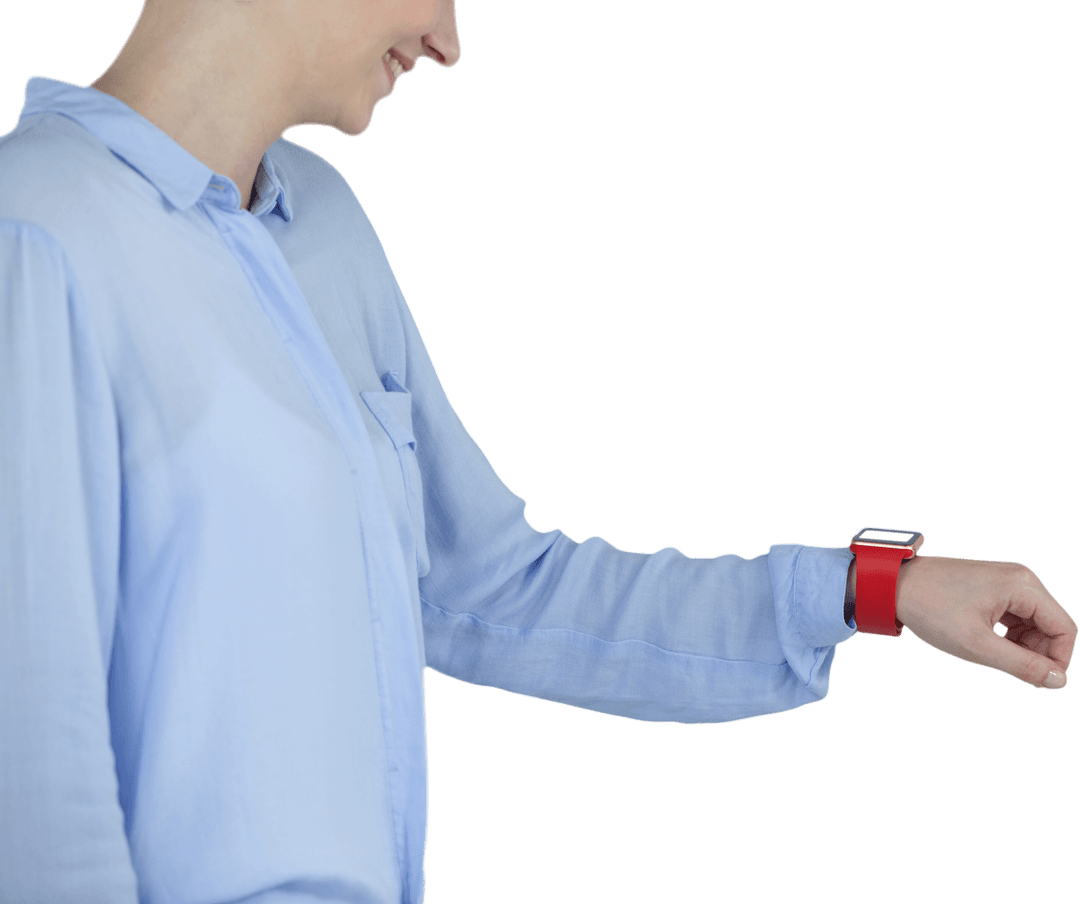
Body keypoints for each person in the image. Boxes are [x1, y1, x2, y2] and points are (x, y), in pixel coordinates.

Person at [0, 1, 1074, 902]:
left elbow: (496, 588)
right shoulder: (35, 234)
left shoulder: (319, 226)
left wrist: (871, 589)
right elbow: (36, 777)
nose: (449, 37)